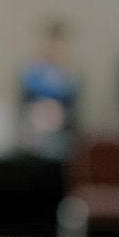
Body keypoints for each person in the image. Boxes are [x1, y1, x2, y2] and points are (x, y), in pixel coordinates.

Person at [18, 19, 79, 161]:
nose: (53, 47)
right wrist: (36, 113)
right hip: (33, 137)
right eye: (50, 42)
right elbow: (22, 105)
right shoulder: (31, 73)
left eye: (58, 43)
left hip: (62, 139)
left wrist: (58, 116)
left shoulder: (71, 76)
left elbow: (74, 112)